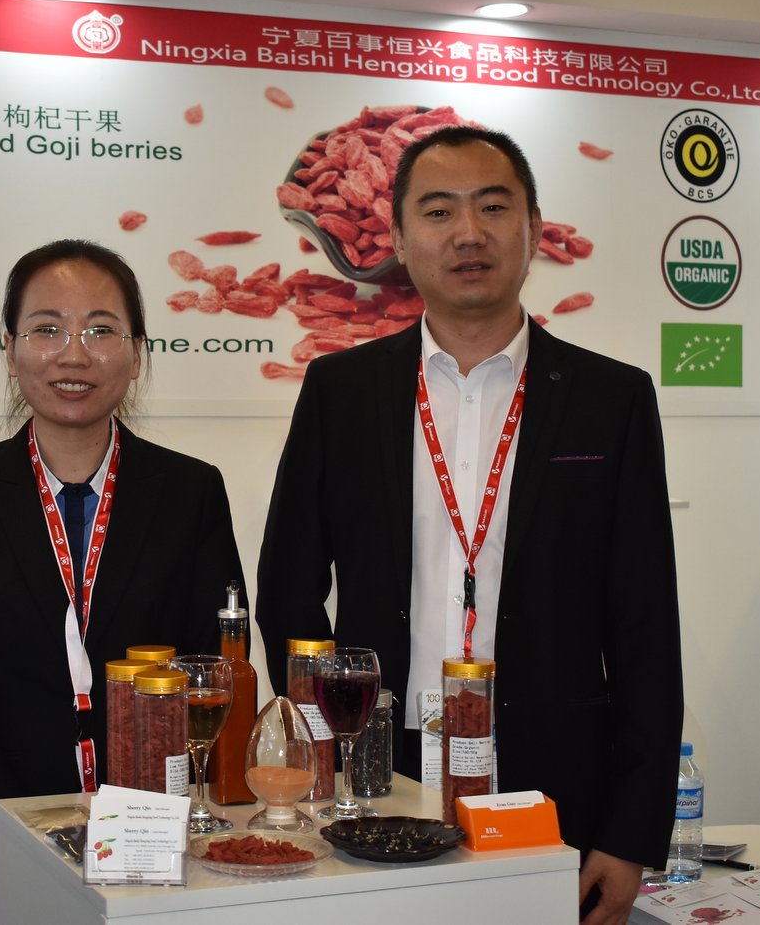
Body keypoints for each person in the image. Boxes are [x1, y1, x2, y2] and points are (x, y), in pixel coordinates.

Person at [256, 126, 683, 925]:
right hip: (378, 780)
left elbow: (646, 629)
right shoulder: (342, 391)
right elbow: (288, 587)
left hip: (555, 789)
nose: (468, 233)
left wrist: (631, 835)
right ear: (398, 238)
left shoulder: (611, 399)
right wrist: (328, 743)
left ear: (534, 229)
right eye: (439, 211)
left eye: (493, 207)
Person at [0, 239, 245, 924]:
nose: (73, 355)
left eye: (101, 330)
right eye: (47, 329)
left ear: (138, 352)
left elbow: (213, 668)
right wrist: (18, 827)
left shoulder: (191, 492)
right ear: (10, 349)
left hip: (153, 840)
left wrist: (152, 810)